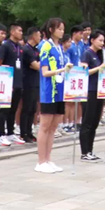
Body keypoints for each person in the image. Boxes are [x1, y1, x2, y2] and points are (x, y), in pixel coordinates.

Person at [36, 18, 70, 172]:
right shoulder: (46, 46)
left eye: (63, 29)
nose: (62, 32)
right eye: (59, 29)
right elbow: (44, 72)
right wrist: (62, 70)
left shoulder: (60, 48)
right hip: (49, 92)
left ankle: (48, 159)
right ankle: (41, 161)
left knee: (53, 127)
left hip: (60, 92)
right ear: (51, 29)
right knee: (45, 126)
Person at [79, 30, 105, 161]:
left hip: (99, 91)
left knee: (95, 121)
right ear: (92, 40)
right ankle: (84, 151)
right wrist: (99, 68)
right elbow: (84, 72)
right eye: (100, 40)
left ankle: (90, 150)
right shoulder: (87, 53)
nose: (102, 43)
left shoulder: (99, 55)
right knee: (88, 121)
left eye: (103, 41)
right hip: (89, 91)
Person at [0, 23, 25, 146]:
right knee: (4, 110)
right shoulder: (6, 45)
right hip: (7, 81)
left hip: (18, 81)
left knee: (13, 109)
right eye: (19, 30)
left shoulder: (20, 46)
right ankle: (0, 134)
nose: (21, 33)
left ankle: (11, 132)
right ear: (12, 32)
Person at [20, 26, 41, 144]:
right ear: (33, 36)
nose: (40, 38)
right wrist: (37, 64)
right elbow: (36, 66)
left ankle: (29, 131)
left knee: (33, 108)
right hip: (27, 82)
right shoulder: (26, 49)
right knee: (27, 108)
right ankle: (23, 133)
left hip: (36, 81)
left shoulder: (36, 50)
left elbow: (42, 64)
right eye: (39, 35)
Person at [63, 25, 83, 134]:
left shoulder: (80, 45)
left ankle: (76, 122)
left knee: (77, 101)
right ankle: (66, 123)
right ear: (74, 34)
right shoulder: (70, 48)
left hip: (78, 75)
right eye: (80, 33)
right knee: (69, 101)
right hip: (70, 75)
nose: (81, 36)